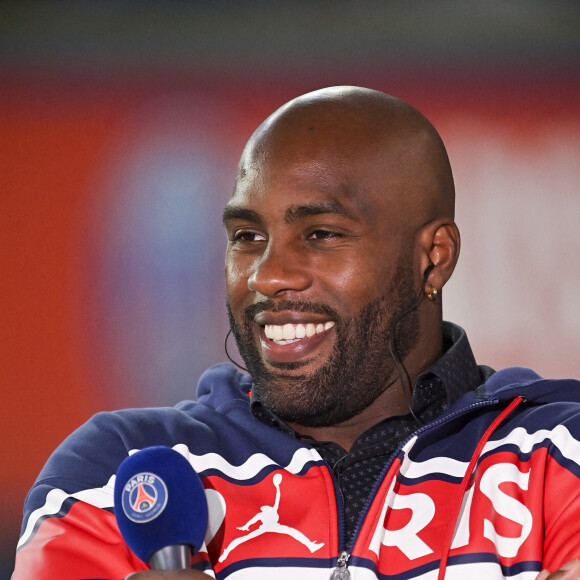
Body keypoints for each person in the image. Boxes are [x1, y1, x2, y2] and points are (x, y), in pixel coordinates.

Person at [12, 86, 580, 580]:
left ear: (433, 259)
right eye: (247, 237)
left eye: (322, 234)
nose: (268, 276)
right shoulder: (123, 474)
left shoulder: (560, 456)